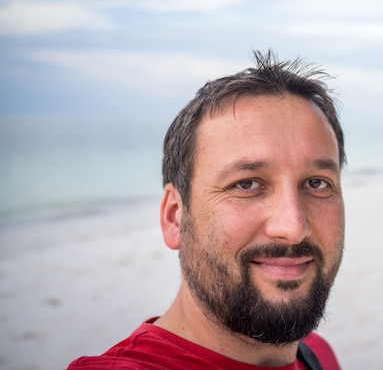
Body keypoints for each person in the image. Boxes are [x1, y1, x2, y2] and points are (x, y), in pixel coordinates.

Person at [67, 50, 346, 370]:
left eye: (316, 183)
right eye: (246, 184)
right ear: (175, 217)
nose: (293, 225)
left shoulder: (318, 355)